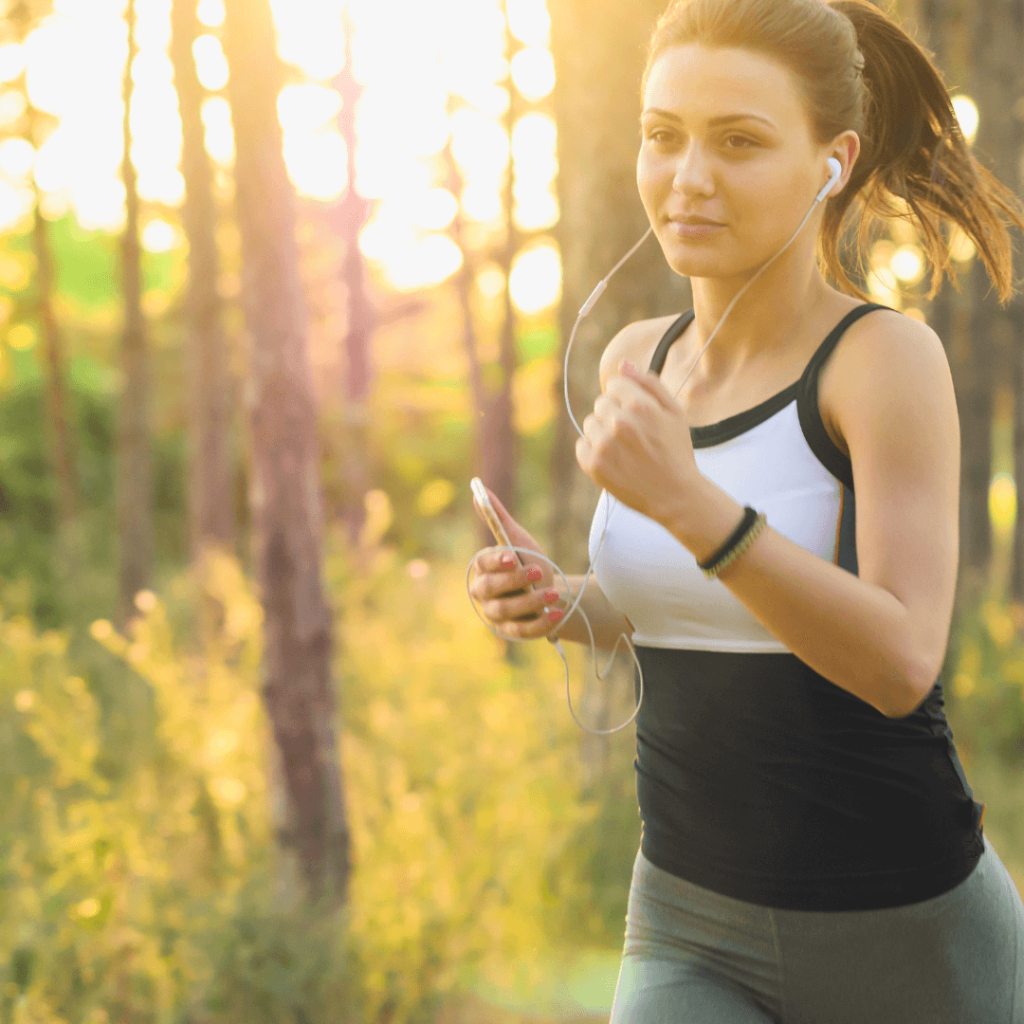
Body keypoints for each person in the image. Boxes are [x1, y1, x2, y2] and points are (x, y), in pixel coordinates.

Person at [469, 0, 1024, 1019]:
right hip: (686, 920)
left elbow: (901, 661)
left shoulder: (880, 362)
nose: (688, 178)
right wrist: (565, 601)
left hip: (906, 935)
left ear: (833, 161)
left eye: (739, 142)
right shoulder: (637, 354)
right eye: (662, 135)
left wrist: (690, 504)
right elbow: (684, 604)